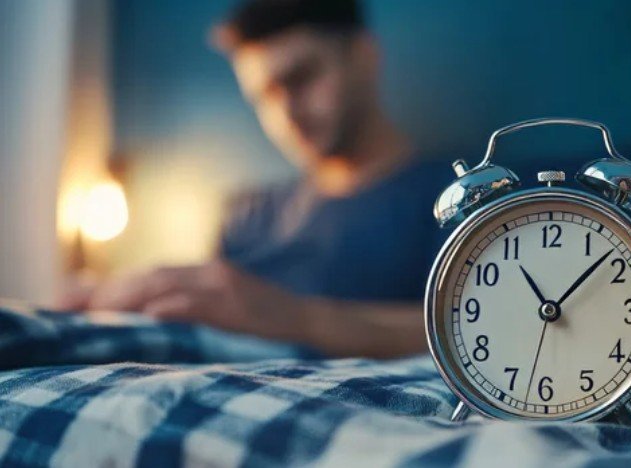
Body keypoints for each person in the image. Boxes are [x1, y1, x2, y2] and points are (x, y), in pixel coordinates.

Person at [59, 0, 450, 358]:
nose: (287, 111)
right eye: (266, 95)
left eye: (301, 77)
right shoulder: (247, 212)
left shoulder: (455, 196)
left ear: (364, 57)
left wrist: (296, 318)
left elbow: (472, 329)